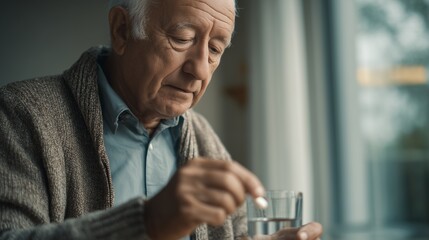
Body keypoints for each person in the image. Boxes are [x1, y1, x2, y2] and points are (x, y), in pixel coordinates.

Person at [0, 0, 323, 239]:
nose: (199, 69)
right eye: (182, 38)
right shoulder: (20, 114)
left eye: (214, 49)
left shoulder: (203, 137)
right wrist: (149, 222)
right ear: (122, 30)